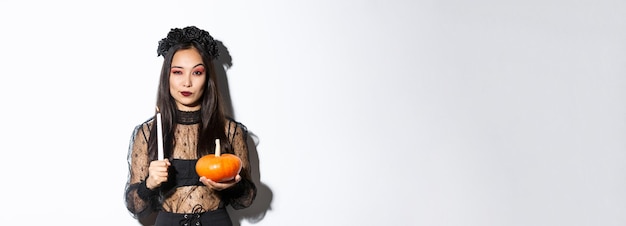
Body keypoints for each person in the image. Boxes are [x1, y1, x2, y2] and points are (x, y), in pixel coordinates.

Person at [124, 26, 256, 226]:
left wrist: (231, 186)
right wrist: (149, 184)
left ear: (207, 78)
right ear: (167, 76)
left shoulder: (230, 131)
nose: (186, 82)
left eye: (197, 72)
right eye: (178, 72)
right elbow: (135, 206)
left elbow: (247, 198)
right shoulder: (147, 133)